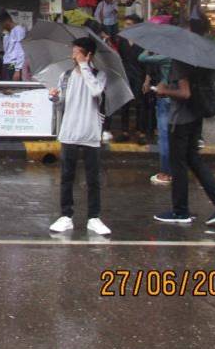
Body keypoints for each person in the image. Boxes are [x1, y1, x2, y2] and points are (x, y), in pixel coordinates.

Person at [152, 25, 215, 225]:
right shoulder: (201, 61)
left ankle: (180, 211)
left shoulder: (179, 62)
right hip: (195, 118)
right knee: (193, 160)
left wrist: (164, 91)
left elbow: (185, 93)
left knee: (179, 165)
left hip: (180, 120)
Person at [48, 37, 111, 235]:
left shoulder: (99, 75)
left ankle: (94, 217)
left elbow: (95, 91)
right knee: (67, 176)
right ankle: (66, 215)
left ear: (88, 55)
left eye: (77, 52)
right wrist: (55, 97)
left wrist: (85, 66)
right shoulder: (65, 76)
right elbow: (61, 104)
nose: (73, 55)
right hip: (69, 132)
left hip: (90, 132)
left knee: (93, 179)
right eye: (73, 51)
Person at [139, 49, 173, 186]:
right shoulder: (186, 58)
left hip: (165, 97)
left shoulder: (167, 57)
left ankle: (165, 172)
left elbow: (142, 58)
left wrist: (148, 48)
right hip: (180, 99)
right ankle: (176, 170)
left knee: (164, 137)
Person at [115, 15, 148, 144]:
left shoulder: (143, 41)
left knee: (141, 104)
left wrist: (147, 79)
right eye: (125, 24)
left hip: (139, 75)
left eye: (128, 24)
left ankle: (141, 131)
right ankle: (124, 131)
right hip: (126, 75)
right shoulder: (122, 40)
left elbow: (147, 62)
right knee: (125, 104)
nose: (125, 27)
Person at [0, 11, 27, 81]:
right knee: (6, 86)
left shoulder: (19, 30)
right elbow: (6, 49)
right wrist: (6, 35)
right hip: (7, 63)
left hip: (13, 64)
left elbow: (21, 50)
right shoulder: (9, 32)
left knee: (11, 86)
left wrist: (17, 70)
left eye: (2, 24)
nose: (1, 27)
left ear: (7, 21)